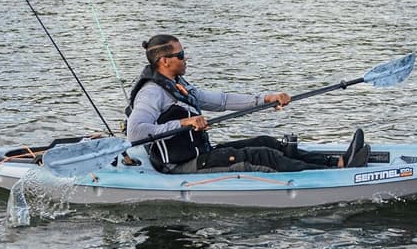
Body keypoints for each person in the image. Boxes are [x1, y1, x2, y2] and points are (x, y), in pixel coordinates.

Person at [125, 34, 370, 174]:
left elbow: (221, 101)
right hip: (179, 165)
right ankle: (331, 176)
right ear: (164, 61)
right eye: (180, 55)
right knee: (261, 155)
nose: (185, 58)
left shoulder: (179, 84)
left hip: (200, 153)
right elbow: (135, 132)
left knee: (266, 142)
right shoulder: (151, 93)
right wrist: (184, 122)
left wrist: (265, 98)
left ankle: (336, 162)